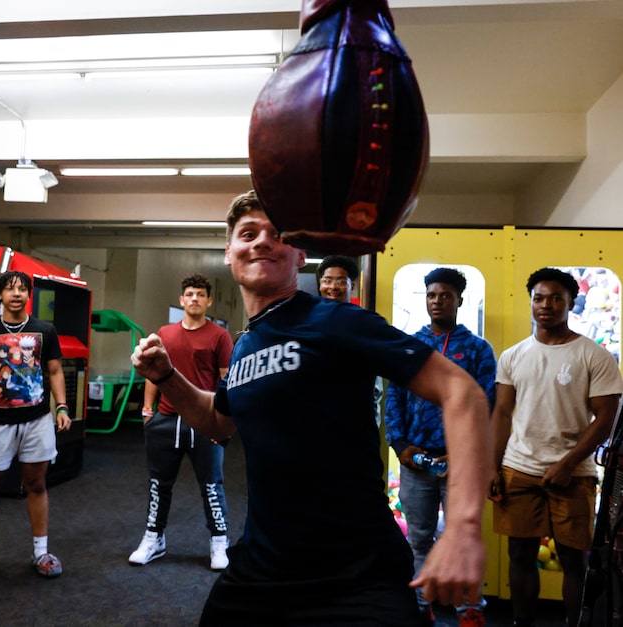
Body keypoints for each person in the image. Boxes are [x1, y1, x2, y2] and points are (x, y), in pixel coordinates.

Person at [130, 190, 492, 625]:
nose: (262, 241)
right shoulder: (245, 344)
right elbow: (219, 420)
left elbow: (462, 392)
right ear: (229, 253)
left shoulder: (337, 321)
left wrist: (464, 528)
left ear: (300, 254)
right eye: (248, 234)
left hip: (355, 575)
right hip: (262, 569)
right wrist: (167, 376)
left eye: (277, 234)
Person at [489, 267, 623, 627]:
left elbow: (605, 420)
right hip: (518, 468)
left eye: (555, 299)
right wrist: (492, 466)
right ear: (531, 302)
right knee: (519, 553)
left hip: (574, 473)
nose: (545, 305)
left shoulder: (594, 356)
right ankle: (522, 623)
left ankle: (573, 623)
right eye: (538, 298)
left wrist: (567, 463)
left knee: (573, 558)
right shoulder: (513, 355)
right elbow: (502, 414)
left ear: (570, 303)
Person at [384, 267, 496, 626]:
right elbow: (393, 399)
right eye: (432, 295)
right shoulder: (409, 345)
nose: (437, 301)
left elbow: (488, 404)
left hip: (460, 465)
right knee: (418, 540)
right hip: (415, 462)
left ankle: (470, 611)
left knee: (462, 538)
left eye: (445, 295)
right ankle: (423, 607)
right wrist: (401, 445)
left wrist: (461, 454)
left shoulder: (477, 349)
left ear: (460, 300)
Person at [0, 270, 71, 582]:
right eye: (10, 289)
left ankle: (41, 552)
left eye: (22, 289)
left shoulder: (45, 330)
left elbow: (56, 371)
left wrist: (61, 406)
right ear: (0, 295)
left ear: (28, 294)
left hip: (37, 421)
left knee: (36, 485)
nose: (17, 294)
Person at [129, 273, 234, 570]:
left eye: (200, 294)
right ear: (181, 300)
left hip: (204, 421)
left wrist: (221, 421)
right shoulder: (165, 333)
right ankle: (154, 538)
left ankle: (219, 542)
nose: (194, 299)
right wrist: (147, 412)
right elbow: (153, 373)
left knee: (212, 485)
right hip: (165, 419)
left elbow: (226, 381)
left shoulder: (219, 336)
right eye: (190, 294)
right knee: (158, 484)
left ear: (208, 300)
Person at [317, 254, 385, 428]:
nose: (333, 287)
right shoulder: (307, 323)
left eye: (340, 281)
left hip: (355, 424)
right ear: (320, 284)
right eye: (327, 280)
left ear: (351, 286)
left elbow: (375, 390)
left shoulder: (364, 325)